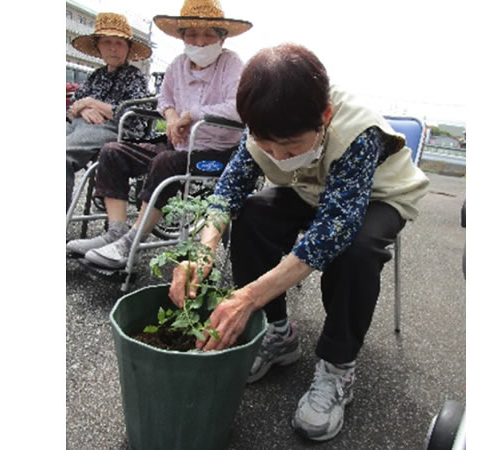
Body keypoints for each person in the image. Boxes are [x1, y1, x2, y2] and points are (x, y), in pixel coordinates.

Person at [168, 43, 430, 442]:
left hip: (379, 195)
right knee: (252, 215)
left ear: (324, 117)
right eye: (267, 146)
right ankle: (277, 333)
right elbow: (228, 192)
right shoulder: (263, 124)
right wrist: (202, 252)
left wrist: (247, 297)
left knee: (356, 250)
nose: (277, 155)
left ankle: (338, 366)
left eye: (290, 147)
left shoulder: (357, 133)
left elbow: (328, 237)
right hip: (310, 189)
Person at [66, 0, 252, 270]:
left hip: (216, 151)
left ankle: (131, 243)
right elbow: (164, 99)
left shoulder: (231, 64)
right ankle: (116, 233)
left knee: (165, 162)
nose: (200, 41)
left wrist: (191, 115)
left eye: (208, 34)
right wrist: (173, 117)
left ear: (222, 38)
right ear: (182, 37)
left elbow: (238, 108)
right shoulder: (178, 64)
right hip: (178, 144)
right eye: (192, 34)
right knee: (112, 152)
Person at [66, 12, 152, 211]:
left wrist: (91, 103)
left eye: (119, 43)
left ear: (128, 48)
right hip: (81, 124)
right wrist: (85, 108)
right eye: (107, 42)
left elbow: (135, 116)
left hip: (117, 131)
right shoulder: (96, 76)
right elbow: (73, 107)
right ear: (98, 46)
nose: (113, 48)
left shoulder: (135, 77)